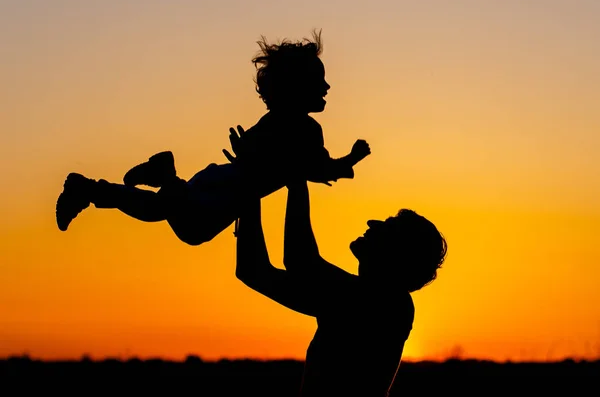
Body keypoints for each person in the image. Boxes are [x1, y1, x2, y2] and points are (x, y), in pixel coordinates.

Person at [55, 30, 371, 246]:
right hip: (225, 192)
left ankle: (99, 187)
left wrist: (343, 163)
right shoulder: (304, 129)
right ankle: (162, 176)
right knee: (188, 228)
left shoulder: (278, 122)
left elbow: (302, 166)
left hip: (219, 181)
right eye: (319, 82)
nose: (327, 88)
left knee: (159, 211)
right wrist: (350, 160)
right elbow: (316, 169)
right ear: (296, 90)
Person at [235, 177, 447, 396]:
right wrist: (249, 183)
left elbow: (300, 262)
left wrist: (295, 180)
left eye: (388, 226)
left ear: (397, 253)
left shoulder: (388, 304)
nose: (372, 223)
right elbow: (253, 270)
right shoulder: (356, 300)